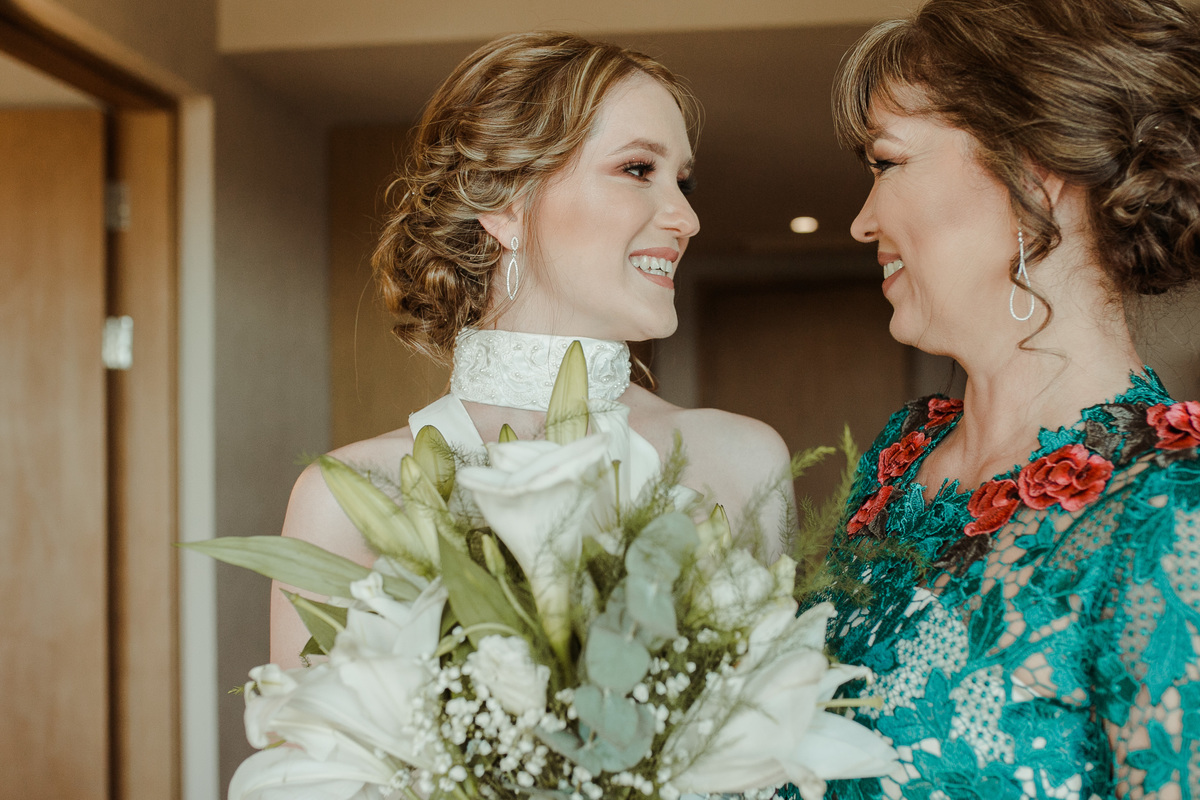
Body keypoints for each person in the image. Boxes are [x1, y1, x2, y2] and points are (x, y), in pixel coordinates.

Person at [271, 32, 791, 669]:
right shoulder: (350, 499)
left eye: (681, 181)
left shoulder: (744, 460)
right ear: (505, 201)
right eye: (638, 170)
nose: (686, 217)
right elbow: (307, 764)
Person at [786, 0, 1200, 797]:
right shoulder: (900, 455)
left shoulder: (1170, 505)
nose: (862, 220)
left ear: (1035, 176)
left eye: (888, 164)